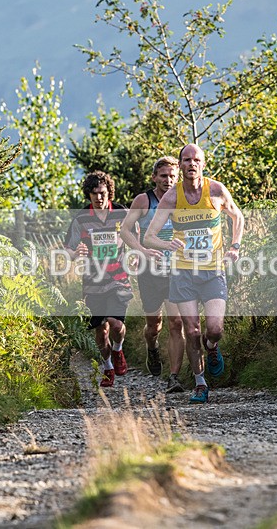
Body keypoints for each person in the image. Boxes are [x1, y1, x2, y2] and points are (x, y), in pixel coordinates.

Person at [143, 144, 244, 403]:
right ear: (181, 165)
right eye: (186, 160)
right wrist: (167, 244)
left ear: (203, 164)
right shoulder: (171, 198)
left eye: (196, 160)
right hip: (183, 273)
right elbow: (149, 237)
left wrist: (234, 246)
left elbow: (238, 217)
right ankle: (200, 383)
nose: (191, 164)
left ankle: (212, 348)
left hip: (212, 271)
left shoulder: (216, 190)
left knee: (215, 328)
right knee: (192, 330)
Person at [120, 156, 186, 393]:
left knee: (176, 322)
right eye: (164, 176)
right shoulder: (144, 200)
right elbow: (125, 230)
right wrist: (141, 250)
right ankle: (152, 347)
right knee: (153, 325)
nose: (168, 180)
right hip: (150, 271)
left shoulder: (183, 198)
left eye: (172, 176)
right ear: (154, 177)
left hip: (176, 269)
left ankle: (174, 377)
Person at [63, 171, 132, 388]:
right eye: (94, 194)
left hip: (118, 278)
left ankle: (118, 350)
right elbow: (67, 250)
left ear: (109, 192)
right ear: (89, 195)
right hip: (93, 282)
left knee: (116, 324)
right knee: (101, 331)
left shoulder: (122, 213)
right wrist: (76, 253)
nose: (99, 198)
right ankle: (108, 367)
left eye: (102, 193)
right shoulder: (81, 219)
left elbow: (136, 239)